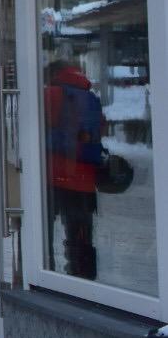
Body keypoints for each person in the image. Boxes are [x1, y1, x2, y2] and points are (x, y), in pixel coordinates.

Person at [44, 59, 103, 280]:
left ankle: (45, 278)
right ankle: (83, 279)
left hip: (54, 175)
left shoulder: (49, 94)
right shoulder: (91, 97)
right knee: (80, 234)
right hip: (85, 179)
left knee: (42, 233)